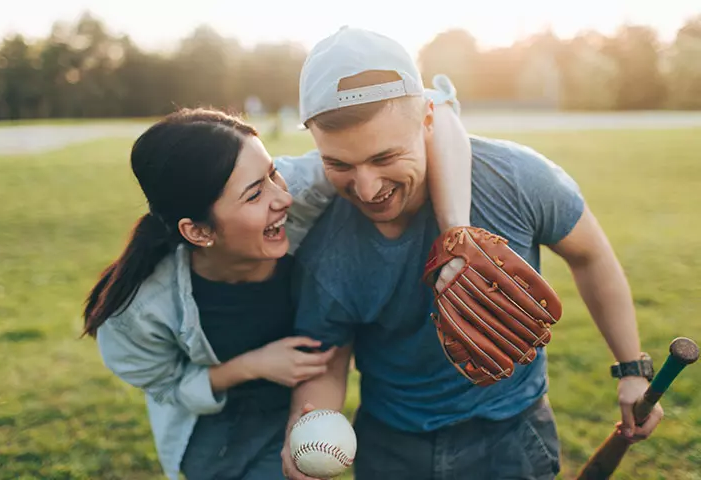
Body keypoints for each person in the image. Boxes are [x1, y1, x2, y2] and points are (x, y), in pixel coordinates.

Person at [281, 27, 664, 480]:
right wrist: (304, 427)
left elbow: (591, 256)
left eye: (385, 157)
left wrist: (632, 367)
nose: (366, 189)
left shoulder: (516, 178)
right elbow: (328, 361)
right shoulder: (325, 244)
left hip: (513, 434)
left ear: (427, 118)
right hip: (393, 445)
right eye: (339, 164)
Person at [83, 90, 472, 479]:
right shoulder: (138, 311)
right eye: (255, 194)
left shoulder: (305, 186)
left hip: (300, 409)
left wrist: (456, 235)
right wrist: (252, 366)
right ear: (198, 231)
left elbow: (434, 107)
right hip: (215, 435)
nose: (282, 197)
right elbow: (168, 388)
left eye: (272, 172)